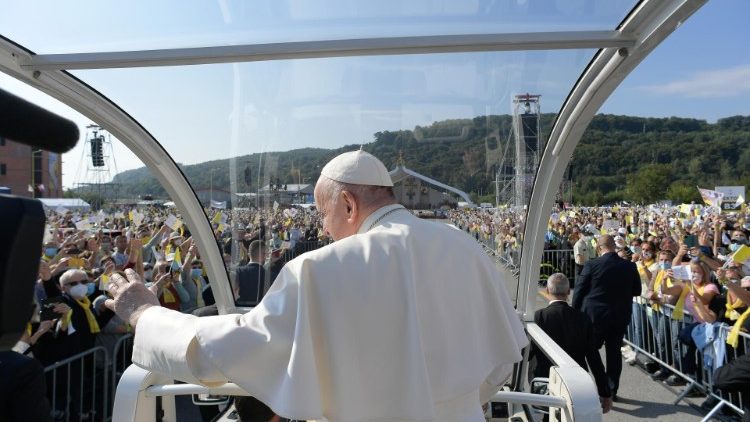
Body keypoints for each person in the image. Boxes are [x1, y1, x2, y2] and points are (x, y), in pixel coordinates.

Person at [106, 150, 527, 421]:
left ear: (348, 204)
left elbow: (229, 350)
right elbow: (498, 360)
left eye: (325, 215)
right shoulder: (463, 246)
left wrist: (147, 315)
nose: (324, 230)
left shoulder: (319, 269)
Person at [530, 273, 612, 414]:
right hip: (575, 382)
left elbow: (527, 352)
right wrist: (605, 392)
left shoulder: (539, 317)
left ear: (547, 291)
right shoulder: (582, 318)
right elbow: (594, 358)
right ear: (568, 292)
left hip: (544, 381)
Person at [572, 234, 641, 400]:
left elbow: (579, 290)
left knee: (587, 350)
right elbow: (637, 291)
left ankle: (591, 387)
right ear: (614, 247)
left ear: (599, 247)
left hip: (594, 318)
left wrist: (574, 313)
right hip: (618, 317)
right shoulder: (629, 266)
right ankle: (611, 390)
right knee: (614, 354)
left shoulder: (592, 264)